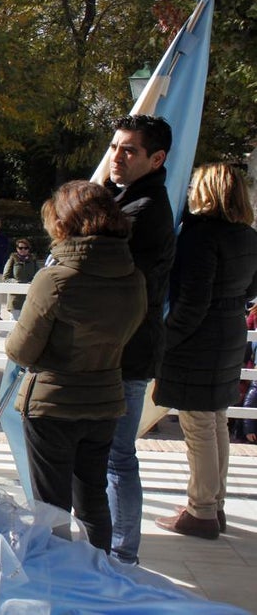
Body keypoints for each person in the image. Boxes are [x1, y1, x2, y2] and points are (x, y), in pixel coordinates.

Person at [5, 180, 145, 551]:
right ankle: (100, 573)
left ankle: (58, 583)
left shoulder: (55, 280)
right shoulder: (134, 277)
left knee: (50, 507)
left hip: (53, 405)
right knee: (93, 497)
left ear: (64, 225)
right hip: (104, 400)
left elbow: (20, 350)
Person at [153, 164, 257, 540]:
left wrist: (163, 341)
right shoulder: (247, 236)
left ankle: (201, 511)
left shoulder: (199, 236)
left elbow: (192, 302)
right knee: (215, 422)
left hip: (199, 338)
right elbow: (249, 291)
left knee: (199, 425)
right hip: (230, 331)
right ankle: (214, 505)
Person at [104, 113, 175, 565]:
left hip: (127, 352)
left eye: (130, 150)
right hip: (115, 349)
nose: (117, 157)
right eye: (115, 147)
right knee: (109, 456)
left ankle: (123, 553)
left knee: (117, 458)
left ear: (156, 158)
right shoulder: (122, 199)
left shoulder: (142, 210)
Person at [2, 238, 39, 321]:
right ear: (17, 248)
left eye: (26, 248)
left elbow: (38, 275)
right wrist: (15, 282)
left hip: (30, 299)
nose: (23, 250)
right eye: (20, 248)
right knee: (14, 327)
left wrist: (32, 282)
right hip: (15, 300)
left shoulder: (33, 260)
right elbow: (5, 278)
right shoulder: (12, 259)